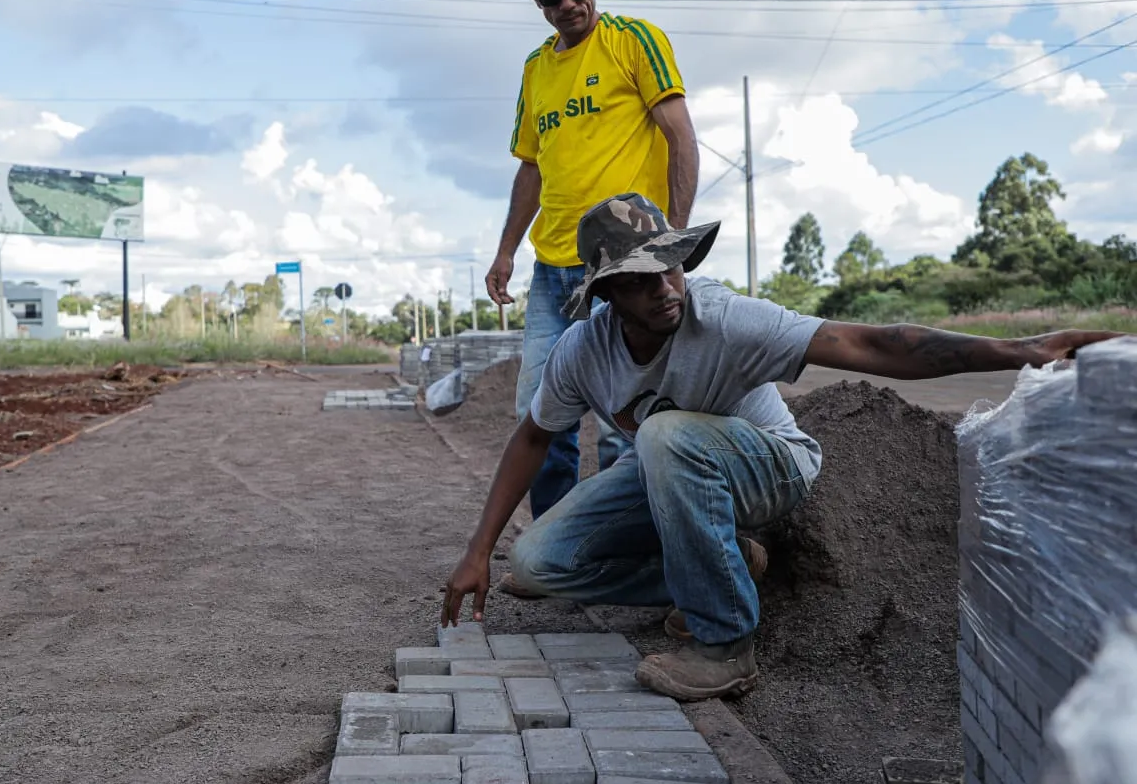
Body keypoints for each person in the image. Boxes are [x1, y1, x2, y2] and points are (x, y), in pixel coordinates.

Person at [445, 192, 1125, 701]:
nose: (666, 288)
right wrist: (477, 551)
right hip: (675, 467)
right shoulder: (583, 353)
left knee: (661, 435)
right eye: (641, 279)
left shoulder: (724, 318)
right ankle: (730, 563)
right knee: (535, 565)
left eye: (672, 268)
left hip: (772, 463)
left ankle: (725, 643)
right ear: (605, 292)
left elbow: (868, 343)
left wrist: (1017, 350)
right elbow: (533, 436)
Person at [485, 0, 701, 552]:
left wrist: (672, 243)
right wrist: (506, 250)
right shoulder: (534, 69)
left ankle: (624, 542)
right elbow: (532, 167)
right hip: (553, 273)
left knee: (623, 422)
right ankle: (562, 544)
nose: (567, 3)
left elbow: (680, 136)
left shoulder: (635, 41)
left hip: (625, 268)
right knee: (541, 415)